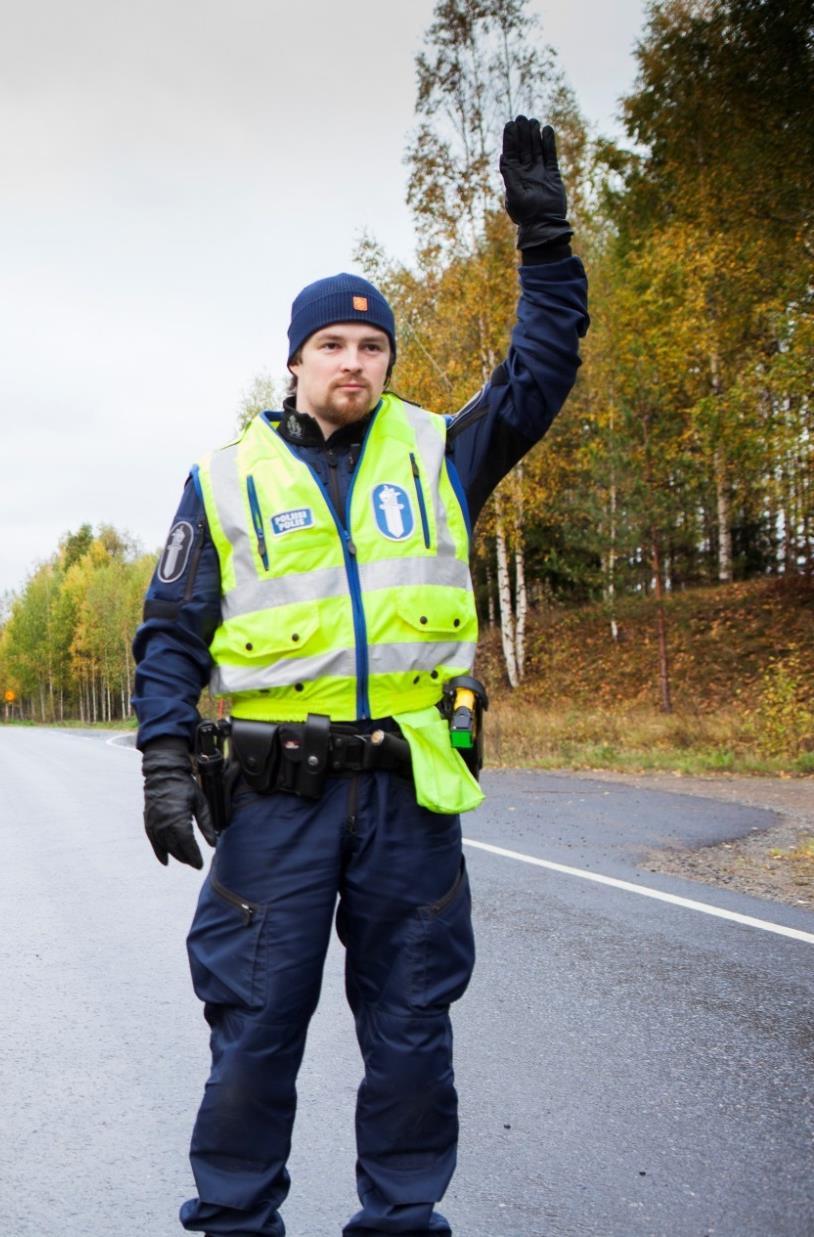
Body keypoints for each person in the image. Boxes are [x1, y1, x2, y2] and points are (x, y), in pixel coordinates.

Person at [133, 115, 589, 1237]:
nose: (354, 361)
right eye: (332, 346)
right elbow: (170, 630)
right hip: (275, 802)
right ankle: (237, 1219)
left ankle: (401, 1219)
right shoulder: (226, 479)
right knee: (252, 1025)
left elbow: (542, 366)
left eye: (371, 345)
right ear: (295, 360)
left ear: (387, 360)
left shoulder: (440, 450)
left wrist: (544, 240)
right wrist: (161, 757)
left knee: (410, 1031)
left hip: (407, 792)